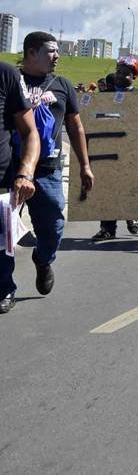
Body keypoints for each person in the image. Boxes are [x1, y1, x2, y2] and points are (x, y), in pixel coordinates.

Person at [0, 43, 47, 314]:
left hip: (2, 178)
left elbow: (31, 133)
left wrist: (25, 172)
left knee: (1, 244)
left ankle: (4, 287)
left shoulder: (6, 75)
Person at [93, 57, 138, 241]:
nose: (120, 75)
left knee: (130, 186)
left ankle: (132, 216)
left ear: (134, 76)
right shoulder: (106, 95)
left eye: (125, 73)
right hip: (108, 147)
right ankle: (107, 228)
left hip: (131, 149)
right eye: (118, 71)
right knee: (107, 187)